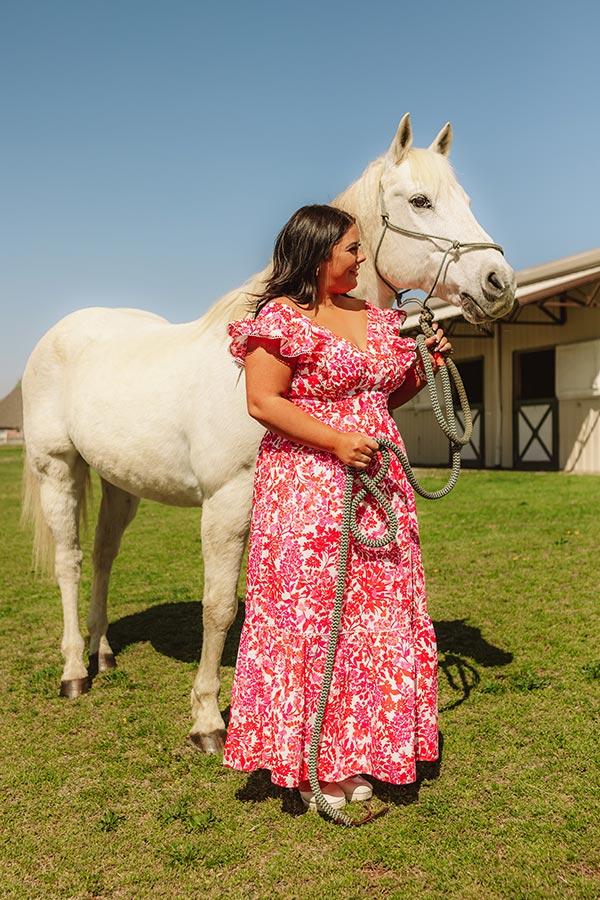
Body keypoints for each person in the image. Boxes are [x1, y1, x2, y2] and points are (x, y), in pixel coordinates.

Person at [223, 204, 452, 812]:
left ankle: (369, 750)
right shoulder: (280, 320)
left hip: (376, 483)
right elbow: (263, 402)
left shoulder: (376, 318)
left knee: (374, 617)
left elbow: (384, 392)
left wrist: (424, 365)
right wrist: (334, 440)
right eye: (351, 249)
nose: (360, 259)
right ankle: (312, 759)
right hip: (308, 486)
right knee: (315, 617)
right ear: (317, 251)